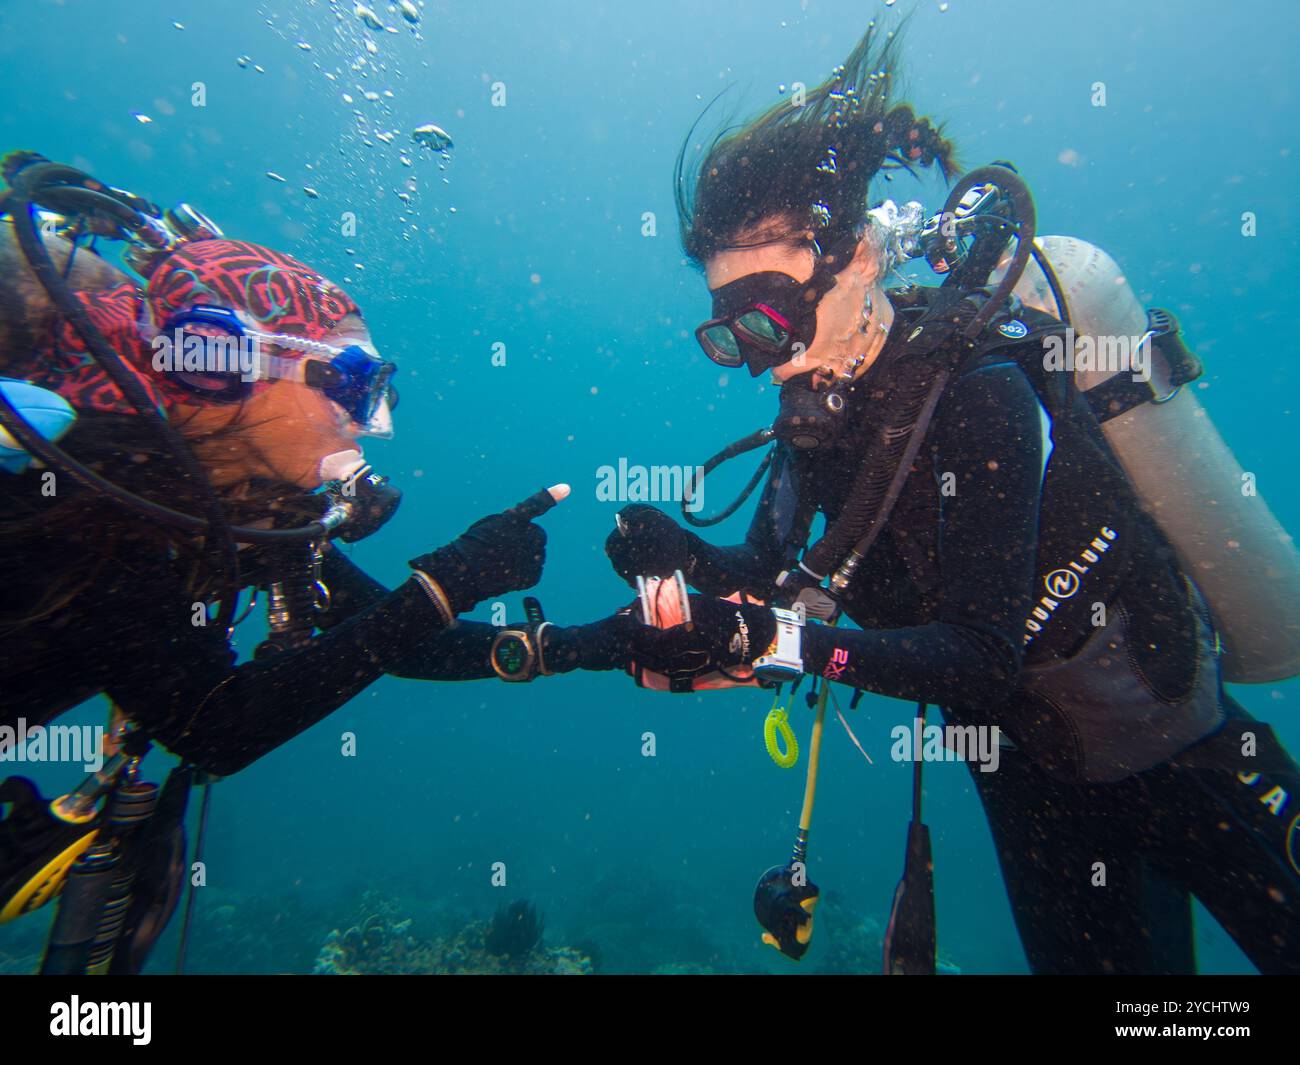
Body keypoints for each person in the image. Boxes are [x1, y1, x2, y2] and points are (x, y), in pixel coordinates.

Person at [599, 26, 1300, 974]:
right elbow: (767, 576)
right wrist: (675, 554)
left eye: (771, 313)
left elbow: (975, 657)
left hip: (1179, 749)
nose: (765, 356)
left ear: (854, 260)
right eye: (733, 335)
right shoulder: (817, 426)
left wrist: (778, 642)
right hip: (1032, 784)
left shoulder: (977, 392)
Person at [0, 153, 621, 968]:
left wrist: (589, 645)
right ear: (230, 364)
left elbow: (393, 640)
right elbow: (216, 724)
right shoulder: (82, 486)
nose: (369, 421)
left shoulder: (252, 509)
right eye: (354, 386)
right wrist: (445, 584)